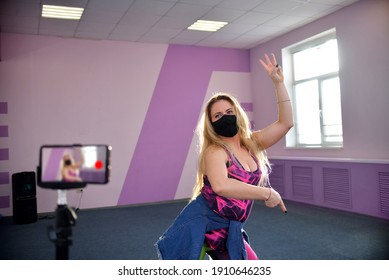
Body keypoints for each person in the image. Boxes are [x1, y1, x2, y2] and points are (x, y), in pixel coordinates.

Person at [155, 53, 293, 260]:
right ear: (211, 123)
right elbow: (221, 185)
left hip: (230, 226)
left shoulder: (252, 143)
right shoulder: (215, 151)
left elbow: (285, 123)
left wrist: (278, 83)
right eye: (218, 115)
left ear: (237, 113)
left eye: (229, 111)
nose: (225, 117)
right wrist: (267, 193)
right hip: (204, 224)